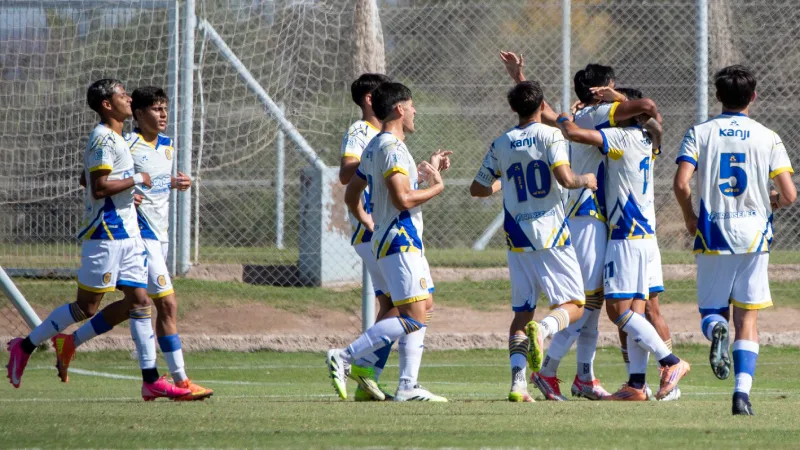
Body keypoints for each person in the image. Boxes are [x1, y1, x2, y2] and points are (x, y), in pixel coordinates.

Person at [6, 79, 191, 400]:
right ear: (107, 104)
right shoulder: (103, 138)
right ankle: (24, 346)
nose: (128, 98)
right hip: (106, 234)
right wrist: (135, 180)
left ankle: (150, 381)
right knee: (86, 307)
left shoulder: (119, 138)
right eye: (122, 95)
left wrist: (138, 186)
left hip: (130, 235)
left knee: (140, 303)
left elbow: (102, 178)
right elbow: (97, 185)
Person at [499, 51, 663, 400]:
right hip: (587, 214)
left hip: (580, 215)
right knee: (586, 301)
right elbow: (648, 108)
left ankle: (584, 377)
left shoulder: (576, 117)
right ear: (603, 90)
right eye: (613, 87)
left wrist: (520, 79)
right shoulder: (601, 113)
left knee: (593, 301)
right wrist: (618, 99)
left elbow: (540, 110)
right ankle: (548, 369)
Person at [52, 86, 212, 400]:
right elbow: (89, 178)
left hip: (161, 236)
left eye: (165, 108)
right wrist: (129, 191)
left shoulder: (167, 144)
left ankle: (70, 342)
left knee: (132, 306)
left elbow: (155, 183)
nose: (163, 114)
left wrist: (177, 183)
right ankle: (180, 381)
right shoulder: (126, 141)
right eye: (156, 109)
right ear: (138, 113)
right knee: (167, 304)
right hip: (140, 235)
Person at [673, 65, 796, 415]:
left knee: (712, 313)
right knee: (748, 320)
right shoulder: (768, 136)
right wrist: (769, 202)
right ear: (753, 97)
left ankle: (716, 330)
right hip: (754, 238)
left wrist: (690, 217)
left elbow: (681, 183)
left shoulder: (700, 133)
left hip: (714, 234)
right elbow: (789, 195)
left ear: (718, 96)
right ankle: (742, 395)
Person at [556, 87, 691, 401]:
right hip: (645, 237)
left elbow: (573, 133)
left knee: (617, 312)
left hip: (625, 236)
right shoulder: (648, 139)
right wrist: (617, 98)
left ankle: (670, 361)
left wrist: (565, 116)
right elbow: (654, 121)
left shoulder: (620, 137)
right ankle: (636, 384)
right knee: (637, 312)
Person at [470, 80, 597, 402]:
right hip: (550, 234)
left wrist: (504, 184)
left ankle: (518, 385)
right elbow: (566, 179)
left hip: (517, 237)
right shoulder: (550, 135)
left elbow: (477, 189)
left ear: (513, 108)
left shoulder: (501, 143)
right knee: (576, 305)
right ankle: (544, 330)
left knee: (522, 312)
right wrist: (586, 179)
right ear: (542, 105)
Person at [327, 82, 448, 402]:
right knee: (411, 316)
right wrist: (437, 187)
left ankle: (407, 384)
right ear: (398, 109)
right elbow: (402, 199)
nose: (415, 111)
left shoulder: (376, 146)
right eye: (411, 105)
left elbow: (352, 194)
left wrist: (368, 220)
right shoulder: (391, 147)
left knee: (425, 305)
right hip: (400, 239)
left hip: (393, 238)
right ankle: (346, 356)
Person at [337, 73, 396, 401]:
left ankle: (367, 375)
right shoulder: (362, 131)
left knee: (393, 305)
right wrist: (370, 161)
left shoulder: (384, 134)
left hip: (383, 228)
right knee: (406, 306)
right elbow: (346, 172)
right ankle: (352, 361)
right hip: (371, 229)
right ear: (370, 99)